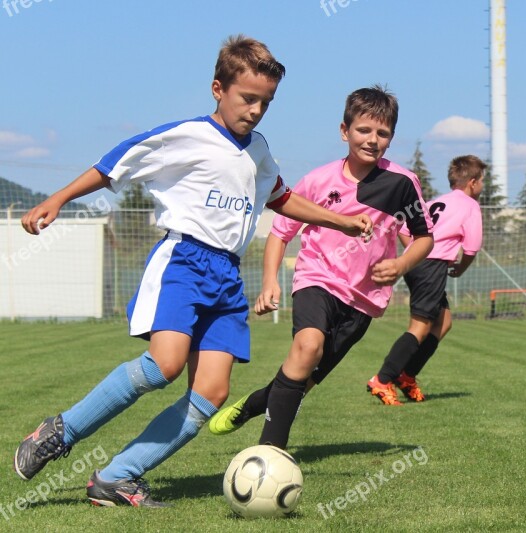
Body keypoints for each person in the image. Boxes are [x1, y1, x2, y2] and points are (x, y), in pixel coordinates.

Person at [13, 35, 372, 508]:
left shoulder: (259, 149)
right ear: (217, 88)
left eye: (266, 102)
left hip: (227, 275)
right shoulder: (188, 136)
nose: (256, 110)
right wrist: (58, 198)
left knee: (212, 391)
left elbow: (281, 197)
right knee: (165, 364)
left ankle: (116, 478)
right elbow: (114, 164)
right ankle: (60, 432)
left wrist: (341, 220)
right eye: (248, 98)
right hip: (184, 260)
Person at [207, 85, 434, 447]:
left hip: (363, 302)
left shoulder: (403, 184)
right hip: (318, 280)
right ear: (344, 131)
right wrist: (270, 282)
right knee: (306, 347)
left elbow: (424, 237)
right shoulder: (317, 181)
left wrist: (402, 263)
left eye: (382, 133)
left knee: (304, 380)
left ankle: (251, 405)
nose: (372, 140)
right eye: (363, 130)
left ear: (391, 138)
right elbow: (280, 233)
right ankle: (269, 454)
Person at [367, 155, 485, 405]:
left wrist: (415, 254)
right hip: (431, 268)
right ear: (472, 182)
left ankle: (407, 376)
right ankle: (383, 379)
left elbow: (404, 229)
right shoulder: (470, 206)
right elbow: (472, 248)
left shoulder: (437, 201)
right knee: (420, 327)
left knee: (443, 322)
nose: (482, 186)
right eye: (482, 181)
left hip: (418, 264)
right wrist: (460, 269)